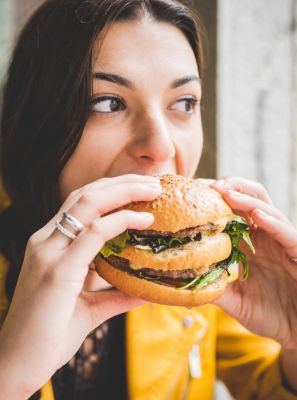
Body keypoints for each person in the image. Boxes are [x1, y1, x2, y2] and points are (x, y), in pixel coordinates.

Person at [0, 0, 297, 399]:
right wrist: (11, 373)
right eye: (108, 103)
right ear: (38, 118)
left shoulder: (196, 268)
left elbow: (266, 383)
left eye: (184, 103)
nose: (159, 148)